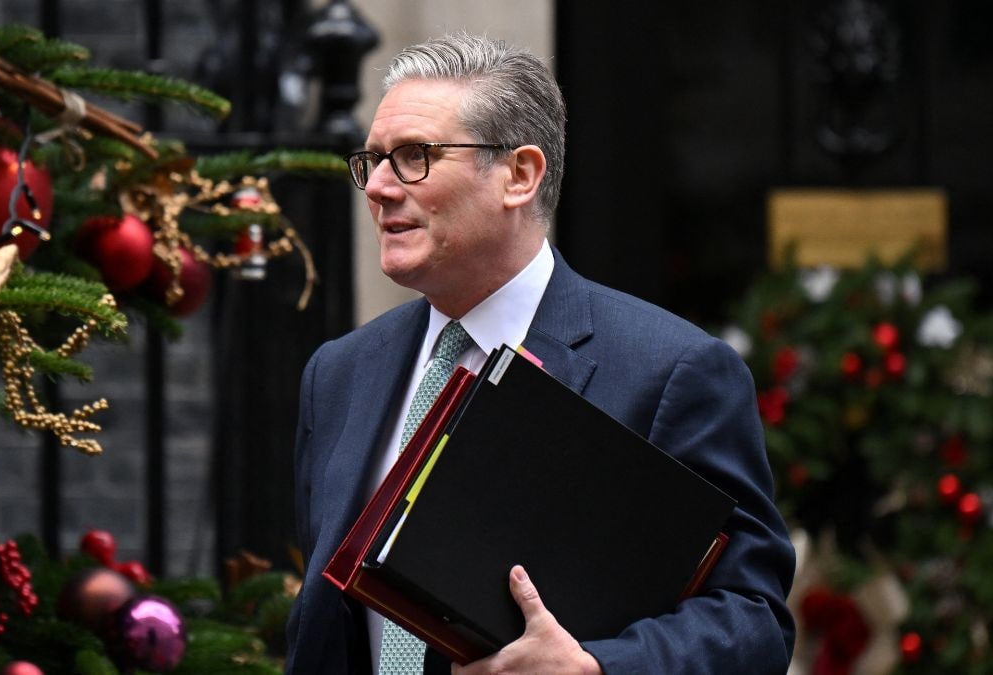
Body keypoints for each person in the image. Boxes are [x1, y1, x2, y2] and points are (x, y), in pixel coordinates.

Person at [285, 33, 796, 674]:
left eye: (414, 156)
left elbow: (752, 621)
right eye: (373, 159)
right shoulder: (339, 373)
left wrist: (594, 669)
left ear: (520, 175)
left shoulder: (672, 372)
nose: (380, 187)